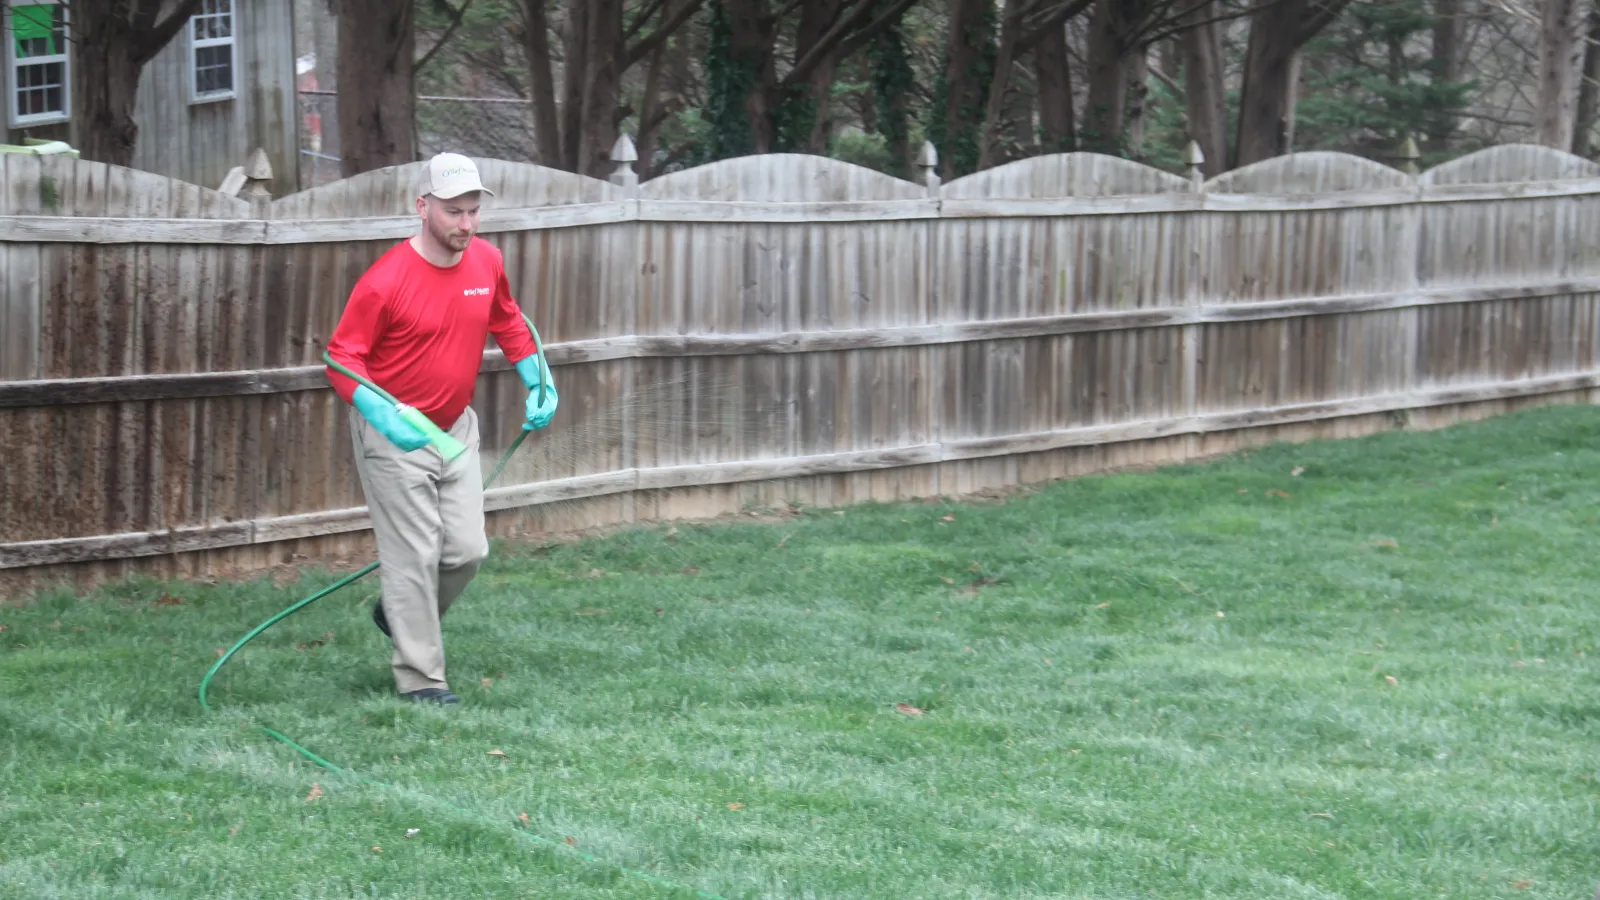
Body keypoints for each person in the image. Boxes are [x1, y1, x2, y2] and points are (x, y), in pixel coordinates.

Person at [324, 152, 558, 706]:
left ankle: (397, 614)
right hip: (394, 435)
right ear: (422, 206)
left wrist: (538, 379)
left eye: (474, 212)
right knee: (413, 556)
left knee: (467, 550)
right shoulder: (386, 281)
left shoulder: (486, 262)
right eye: (455, 212)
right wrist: (382, 416)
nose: (467, 225)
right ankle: (421, 679)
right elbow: (341, 358)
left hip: (456, 428)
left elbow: (508, 320)